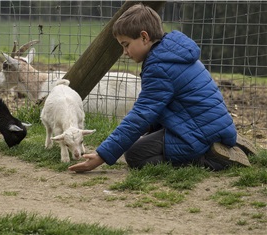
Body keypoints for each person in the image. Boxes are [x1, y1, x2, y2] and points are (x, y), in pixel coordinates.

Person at [68, 3, 256, 173]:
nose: (124, 52)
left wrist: (102, 155)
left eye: (126, 45)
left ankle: (211, 157)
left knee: (136, 155)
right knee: (144, 140)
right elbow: (162, 106)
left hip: (198, 131)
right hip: (209, 123)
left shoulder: (159, 67)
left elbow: (141, 114)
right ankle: (223, 141)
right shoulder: (171, 52)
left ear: (144, 37)